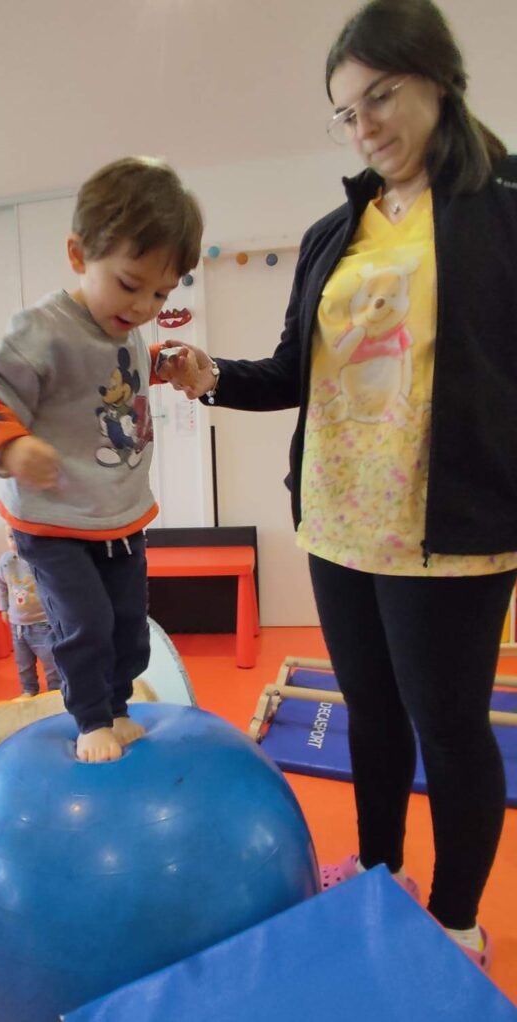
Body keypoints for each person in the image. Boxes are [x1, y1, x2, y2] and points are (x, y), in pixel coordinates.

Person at [162, 0, 516, 970]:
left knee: (449, 724)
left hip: (452, 521)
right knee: (370, 708)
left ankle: (452, 916)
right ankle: (377, 870)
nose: (365, 126)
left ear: (438, 78)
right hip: (338, 514)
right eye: (346, 112)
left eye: (381, 97)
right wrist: (211, 375)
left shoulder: (508, 201)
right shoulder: (336, 230)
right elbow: (290, 371)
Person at [0, 156, 203, 763]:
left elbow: (109, 381)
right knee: (87, 624)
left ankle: (117, 707)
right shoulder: (43, 329)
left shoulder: (128, 326)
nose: (145, 305)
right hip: (54, 519)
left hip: (118, 514)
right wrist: (13, 445)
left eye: (160, 292)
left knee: (128, 625)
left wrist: (163, 364)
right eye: (129, 284)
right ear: (78, 255)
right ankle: (90, 717)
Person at [0, 525, 61, 698]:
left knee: (50, 661)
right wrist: (3, 607)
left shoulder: (41, 560)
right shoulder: (6, 561)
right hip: (17, 625)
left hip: (43, 623)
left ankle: (55, 689)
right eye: (11, 537)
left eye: (20, 536)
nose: (15, 542)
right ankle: (29, 689)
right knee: (23, 663)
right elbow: (2, 586)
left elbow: (55, 586)